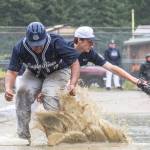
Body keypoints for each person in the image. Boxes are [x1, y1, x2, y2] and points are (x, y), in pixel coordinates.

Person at [4, 22, 80, 145]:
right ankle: (23, 136)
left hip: (58, 71)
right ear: (27, 40)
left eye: (40, 44)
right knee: (22, 92)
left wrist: (72, 84)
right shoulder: (20, 47)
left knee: (49, 94)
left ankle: (55, 136)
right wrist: (8, 88)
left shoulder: (56, 42)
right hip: (34, 73)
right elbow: (12, 71)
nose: (38, 48)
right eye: (34, 45)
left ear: (45, 37)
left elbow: (74, 62)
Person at [61, 26, 148, 93]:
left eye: (93, 42)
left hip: (68, 76)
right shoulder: (63, 48)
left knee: (71, 97)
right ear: (79, 39)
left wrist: (136, 81)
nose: (92, 45)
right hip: (55, 73)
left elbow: (112, 68)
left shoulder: (90, 53)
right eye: (90, 42)